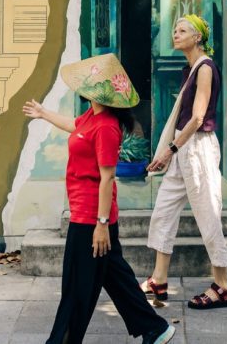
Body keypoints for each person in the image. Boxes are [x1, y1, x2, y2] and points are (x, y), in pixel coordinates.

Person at [23, 53, 175, 344]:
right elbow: (75, 126)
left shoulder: (106, 126)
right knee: (115, 278)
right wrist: (44, 114)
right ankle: (155, 329)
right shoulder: (92, 117)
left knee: (76, 287)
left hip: (91, 218)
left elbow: (107, 178)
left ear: (98, 90)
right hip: (88, 213)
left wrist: (102, 224)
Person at [139, 14, 227, 310]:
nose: (175, 34)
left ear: (197, 38)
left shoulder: (204, 68)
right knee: (163, 210)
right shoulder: (191, 68)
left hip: (197, 149)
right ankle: (159, 280)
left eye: (182, 31)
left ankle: (222, 285)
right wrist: (172, 149)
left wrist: (169, 150)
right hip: (183, 148)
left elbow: (199, 117)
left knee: (207, 215)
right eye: (175, 29)